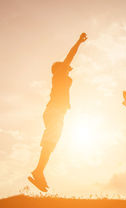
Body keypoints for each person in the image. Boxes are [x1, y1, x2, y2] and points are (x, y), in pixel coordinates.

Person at [29, 33, 87, 192]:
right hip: (54, 111)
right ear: (59, 68)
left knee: (51, 143)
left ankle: (39, 170)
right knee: (50, 142)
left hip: (56, 112)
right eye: (66, 66)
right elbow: (70, 56)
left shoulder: (61, 76)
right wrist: (78, 42)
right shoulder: (59, 74)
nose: (69, 67)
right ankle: (38, 171)